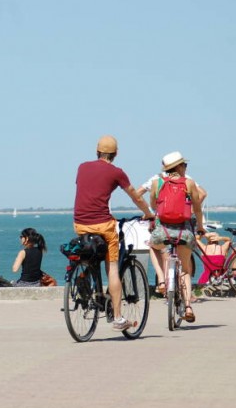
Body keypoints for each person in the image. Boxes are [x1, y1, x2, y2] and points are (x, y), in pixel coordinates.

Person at [73, 135, 155, 331]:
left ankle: (85, 278)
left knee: (90, 254)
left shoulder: (82, 167)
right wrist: (148, 214)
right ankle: (117, 318)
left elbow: (87, 192)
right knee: (112, 268)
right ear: (116, 154)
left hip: (80, 223)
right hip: (104, 224)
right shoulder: (116, 172)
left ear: (97, 150)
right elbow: (135, 196)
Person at [149, 152, 206, 322]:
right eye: (185, 165)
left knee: (152, 246)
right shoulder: (189, 183)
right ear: (180, 167)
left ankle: (161, 280)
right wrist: (201, 227)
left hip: (163, 232)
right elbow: (197, 208)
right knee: (186, 270)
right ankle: (188, 306)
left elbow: (153, 205)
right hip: (184, 232)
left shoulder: (156, 183)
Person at [136, 160, 208, 293]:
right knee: (185, 263)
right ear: (179, 166)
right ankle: (186, 296)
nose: (186, 168)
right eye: (184, 165)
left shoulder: (156, 180)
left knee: (160, 250)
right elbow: (203, 194)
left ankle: (163, 282)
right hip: (183, 226)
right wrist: (190, 211)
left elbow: (138, 193)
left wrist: (151, 213)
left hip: (161, 225)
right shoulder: (187, 180)